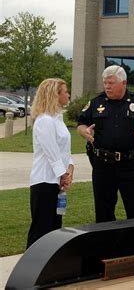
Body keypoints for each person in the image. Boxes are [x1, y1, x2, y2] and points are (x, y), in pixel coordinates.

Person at [77, 65, 134, 223]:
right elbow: (81, 123)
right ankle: (106, 246)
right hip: (102, 165)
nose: (107, 86)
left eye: (111, 83)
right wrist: (84, 132)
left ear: (124, 83)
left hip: (130, 164)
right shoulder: (96, 102)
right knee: (103, 211)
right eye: (105, 83)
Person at [27, 78, 74, 248]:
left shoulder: (57, 119)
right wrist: (62, 174)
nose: (68, 94)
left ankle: (49, 268)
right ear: (56, 95)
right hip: (45, 181)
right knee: (41, 228)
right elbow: (51, 152)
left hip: (57, 181)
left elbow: (64, 150)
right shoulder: (44, 120)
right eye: (65, 91)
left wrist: (70, 169)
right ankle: (30, 267)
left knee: (54, 229)